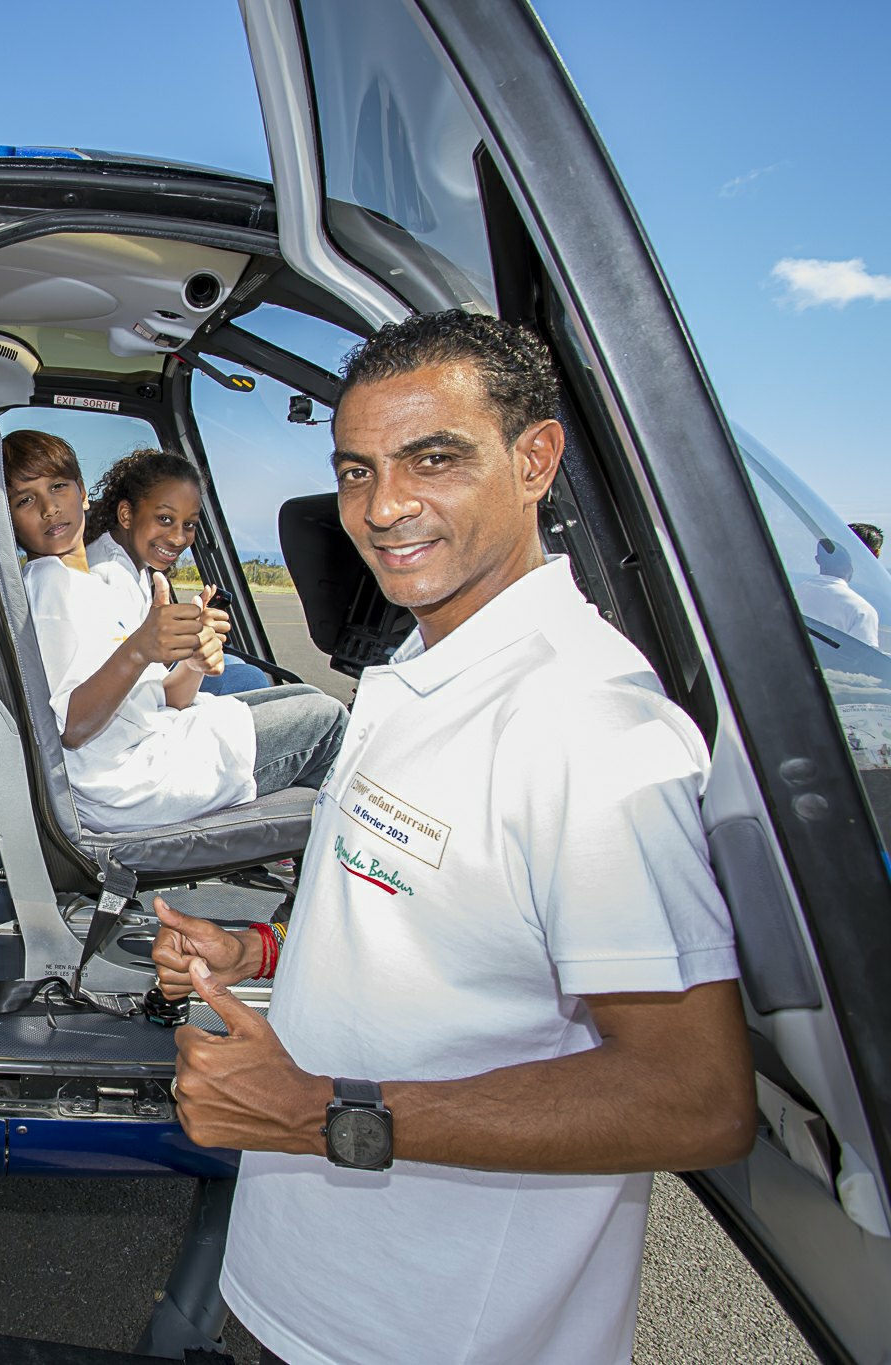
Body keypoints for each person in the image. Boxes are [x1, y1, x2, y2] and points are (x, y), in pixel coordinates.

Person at [152, 310, 755, 1365]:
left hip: (427, 1333)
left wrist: (322, 1117)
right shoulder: (419, 673)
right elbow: (445, 932)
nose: (382, 508)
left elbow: (692, 1096)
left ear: (534, 459)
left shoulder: (588, 729)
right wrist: (256, 953)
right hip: (296, 1285)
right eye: (354, 471)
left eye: (433, 459)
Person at [4, 428, 347, 834]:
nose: (49, 508)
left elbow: (160, 701)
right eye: (26, 499)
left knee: (306, 697)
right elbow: (70, 729)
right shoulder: (53, 584)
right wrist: (138, 649)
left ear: (82, 492)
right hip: (124, 785)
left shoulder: (82, 582)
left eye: (58, 487)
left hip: (143, 751)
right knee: (327, 720)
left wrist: (193, 660)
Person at [82, 446, 273, 695]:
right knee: (250, 678)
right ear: (126, 515)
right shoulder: (110, 574)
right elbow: (129, 685)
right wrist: (190, 643)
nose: (178, 538)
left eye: (189, 524)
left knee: (234, 663)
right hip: (137, 704)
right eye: (164, 519)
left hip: (143, 687)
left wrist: (189, 633)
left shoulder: (127, 561)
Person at [792, 536, 881, 643]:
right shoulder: (862, 610)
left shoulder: (791, 595)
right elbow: (866, 657)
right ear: (852, 565)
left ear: (818, 560)